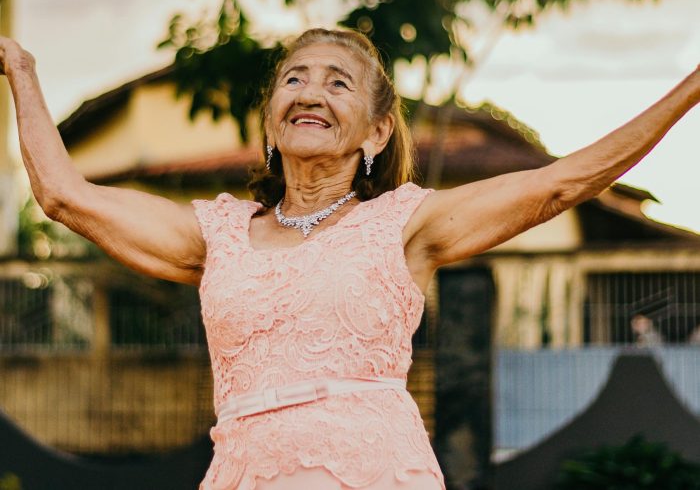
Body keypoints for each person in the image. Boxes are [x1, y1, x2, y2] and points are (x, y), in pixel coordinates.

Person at [0, 28, 698, 490]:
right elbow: (64, 197)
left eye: (339, 84)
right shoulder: (214, 234)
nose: (310, 92)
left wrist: (690, 89)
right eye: (295, 79)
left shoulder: (404, 223)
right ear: (273, 117)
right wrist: (20, 69)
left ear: (376, 130)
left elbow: (561, 184)